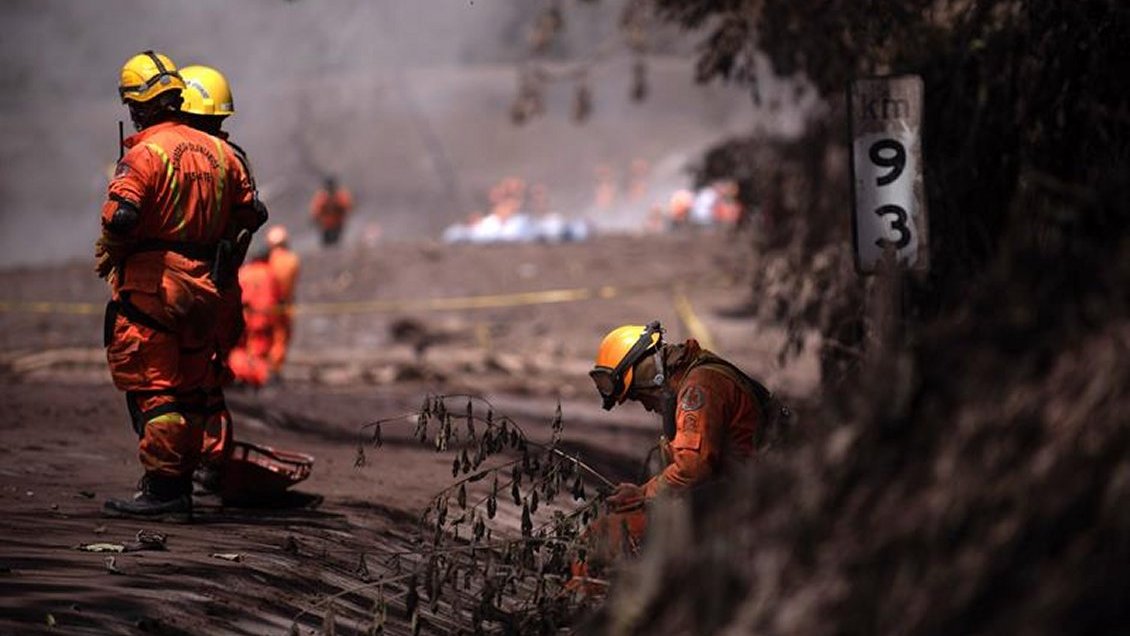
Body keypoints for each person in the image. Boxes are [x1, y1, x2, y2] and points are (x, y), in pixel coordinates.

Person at [97, 51, 258, 521]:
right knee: (191, 389)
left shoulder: (146, 152)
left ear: (138, 105)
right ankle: (187, 479)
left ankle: (165, 488)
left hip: (155, 287)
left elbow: (122, 215)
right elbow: (251, 213)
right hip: (206, 287)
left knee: (154, 389)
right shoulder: (223, 154)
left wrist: (111, 248)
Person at [577, 321, 790, 572]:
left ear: (649, 376)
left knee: (603, 537)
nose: (645, 406)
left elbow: (692, 468)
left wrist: (644, 496)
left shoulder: (699, 388)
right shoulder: (697, 374)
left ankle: (582, 592)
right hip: (740, 493)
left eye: (637, 395)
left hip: (743, 501)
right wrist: (641, 492)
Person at [177, 63, 269, 493]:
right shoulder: (233, 158)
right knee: (209, 377)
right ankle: (209, 463)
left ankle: (169, 472)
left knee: (164, 379)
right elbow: (253, 214)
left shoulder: (166, 154)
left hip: (179, 284)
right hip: (222, 285)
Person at [227, 250, 283, 388]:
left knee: (241, 348)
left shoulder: (244, 272)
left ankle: (239, 374)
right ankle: (259, 376)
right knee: (259, 350)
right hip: (264, 318)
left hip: (244, 317)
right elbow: (277, 296)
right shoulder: (270, 273)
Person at [265, 225, 300, 375]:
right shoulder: (292, 260)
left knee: (264, 337)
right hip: (284, 305)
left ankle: (263, 369)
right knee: (280, 338)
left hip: (265, 306)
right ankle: (274, 370)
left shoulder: (268, 260)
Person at [309, 176, 353, 247]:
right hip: (325, 225)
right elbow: (315, 211)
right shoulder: (321, 197)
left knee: (336, 243)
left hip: (337, 224)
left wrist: (337, 203)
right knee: (327, 243)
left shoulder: (340, 196)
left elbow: (348, 207)